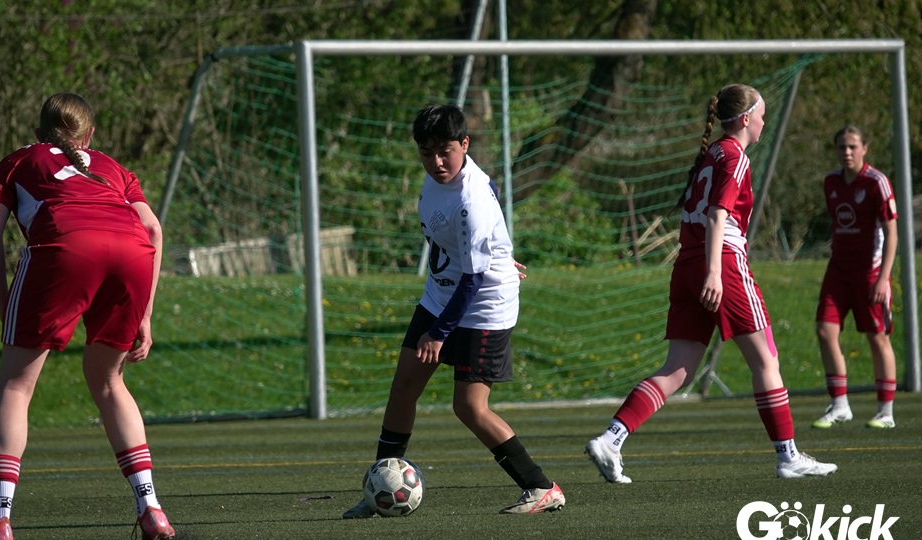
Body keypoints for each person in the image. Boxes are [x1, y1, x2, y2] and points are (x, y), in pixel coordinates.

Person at [0, 92, 175, 540]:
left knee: (16, 386)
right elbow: (153, 229)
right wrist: (146, 315)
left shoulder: (18, 161)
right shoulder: (113, 167)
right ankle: (151, 508)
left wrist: (5, 305)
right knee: (109, 382)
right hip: (132, 253)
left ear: (39, 134)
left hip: (65, 247)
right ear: (89, 135)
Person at [584, 84, 837, 483]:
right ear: (746, 118)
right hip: (720, 263)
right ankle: (788, 457)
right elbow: (718, 215)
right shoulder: (734, 156)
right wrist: (715, 272)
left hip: (687, 263)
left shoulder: (711, 154)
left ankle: (611, 439)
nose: (764, 122)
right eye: (762, 115)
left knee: (677, 370)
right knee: (766, 360)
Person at [343, 104, 565, 517]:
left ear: (465, 144)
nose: (437, 162)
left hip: (484, 304)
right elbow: (484, 210)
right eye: (426, 153)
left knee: (469, 406)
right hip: (441, 295)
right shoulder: (439, 181)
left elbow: (474, 277)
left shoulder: (470, 198)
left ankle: (541, 487)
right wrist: (499, 248)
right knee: (404, 386)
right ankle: (379, 489)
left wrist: (439, 333)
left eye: (445, 151)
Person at [812, 126, 899, 429]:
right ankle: (840, 406)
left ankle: (885, 412)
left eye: (852, 146)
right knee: (824, 330)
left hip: (870, 273)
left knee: (877, 338)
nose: (846, 152)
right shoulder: (831, 182)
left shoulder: (877, 182)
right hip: (838, 270)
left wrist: (883, 277)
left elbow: (891, 233)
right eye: (841, 147)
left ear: (864, 148)